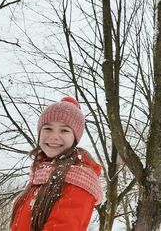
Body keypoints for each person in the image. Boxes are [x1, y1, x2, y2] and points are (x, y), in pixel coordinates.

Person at [10, 96, 103, 230]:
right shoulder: (39, 177)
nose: (54, 136)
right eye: (48, 128)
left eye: (64, 130)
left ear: (75, 138)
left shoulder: (78, 181)